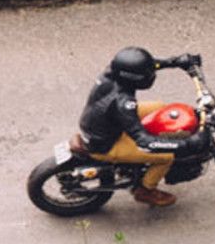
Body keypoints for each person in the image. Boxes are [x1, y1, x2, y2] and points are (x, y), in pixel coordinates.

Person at [77, 47, 208, 207]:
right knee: (166, 157)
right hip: (105, 144)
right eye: (147, 74)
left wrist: (176, 61)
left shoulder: (113, 72)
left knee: (159, 107)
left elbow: (148, 66)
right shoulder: (124, 102)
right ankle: (146, 190)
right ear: (136, 78)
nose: (151, 74)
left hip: (102, 121)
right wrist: (188, 144)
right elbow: (144, 142)